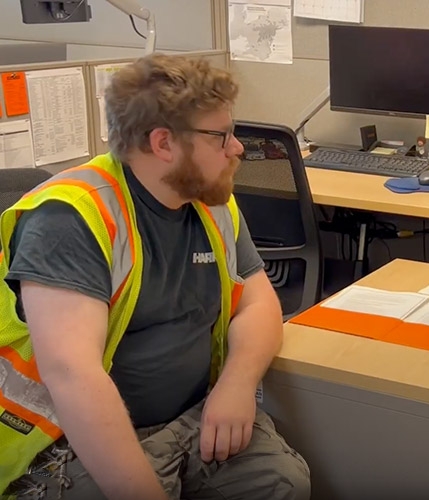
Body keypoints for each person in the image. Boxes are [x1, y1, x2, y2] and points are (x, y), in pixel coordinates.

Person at [0, 54, 310, 500]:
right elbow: (74, 377)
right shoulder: (70, 218)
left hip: (194, 416)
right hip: (70, 440)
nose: (237, 149)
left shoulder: (211, 200)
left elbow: (259, 302)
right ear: (164, 143)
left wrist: (237, 385)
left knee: (283, 483)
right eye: (221, 136)